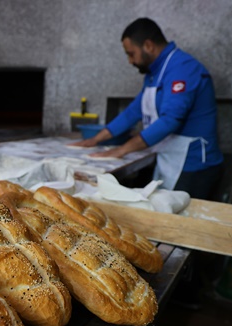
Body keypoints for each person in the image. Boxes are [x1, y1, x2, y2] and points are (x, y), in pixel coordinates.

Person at [72, 18, 223, 200]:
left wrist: (122, 150)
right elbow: (133, 111)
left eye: (131, 54)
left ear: (148, 45)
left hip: (194, 166)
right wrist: (95, 140)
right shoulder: (154, 73)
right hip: (170, 158)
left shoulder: (182, 68)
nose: (130, 61)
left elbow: (170, 120)